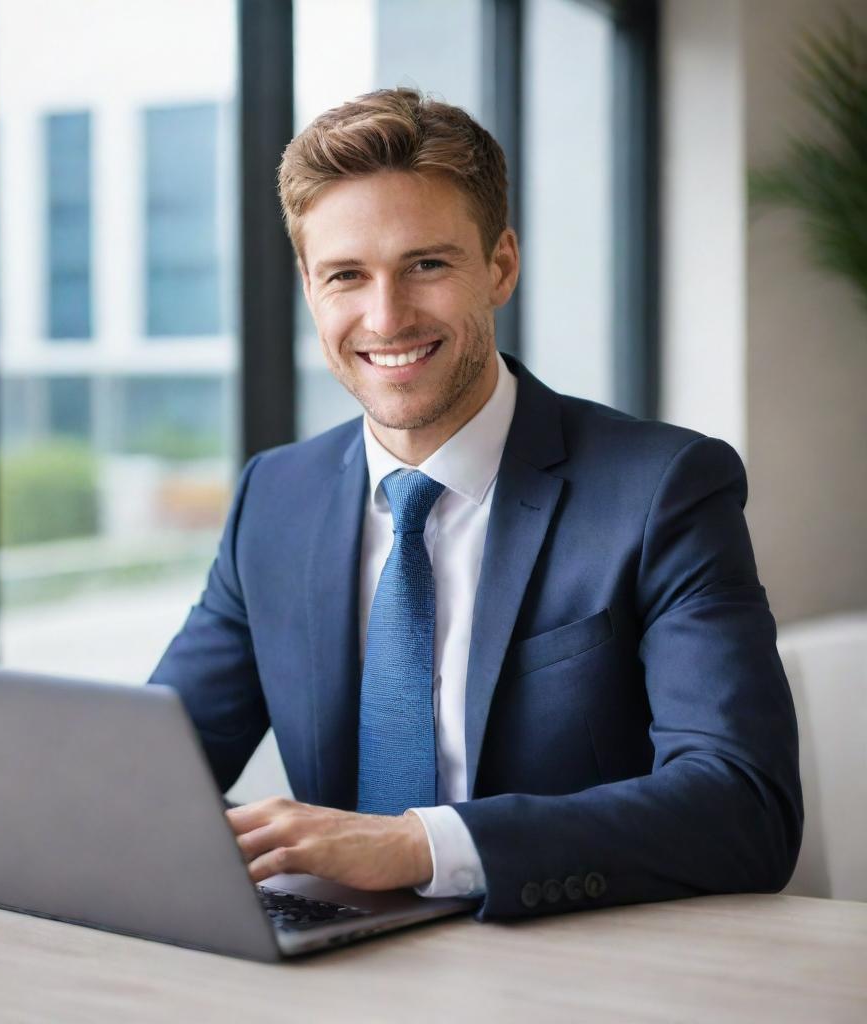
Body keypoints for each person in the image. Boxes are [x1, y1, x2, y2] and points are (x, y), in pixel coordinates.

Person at [149, 87, 802, 919]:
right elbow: (154, 772)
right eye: (346, 276)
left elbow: (745, 807)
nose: (386, 318)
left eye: (426, 265)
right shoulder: (274, 498)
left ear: (499, 266)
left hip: (577, 967)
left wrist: (421, 845)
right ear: (311, 290)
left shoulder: (664, 489)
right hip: (335, 970)